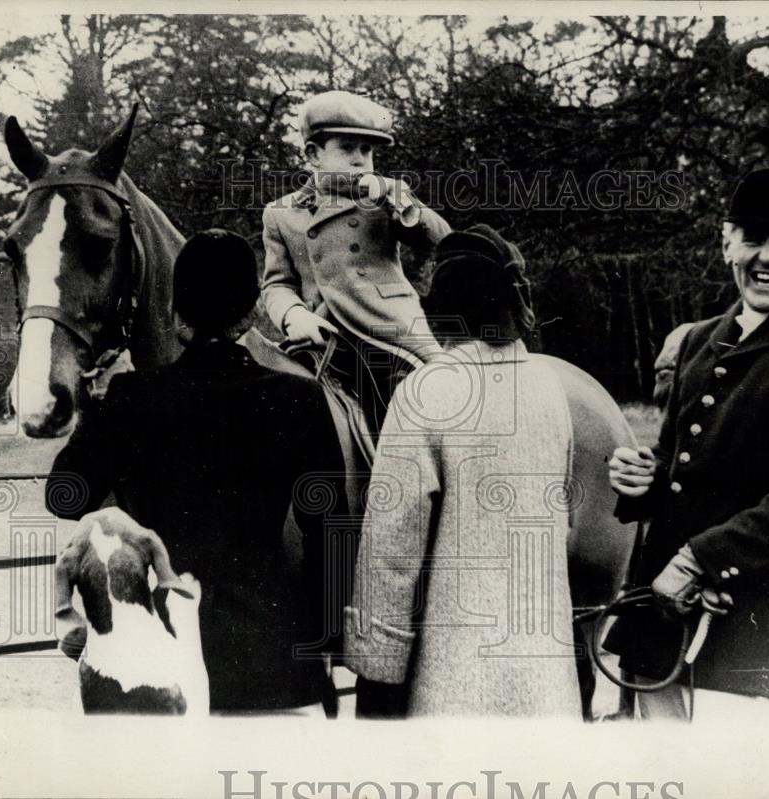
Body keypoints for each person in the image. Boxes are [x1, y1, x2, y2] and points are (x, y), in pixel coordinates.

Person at [607, 166, 769, 720]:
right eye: (753, 238)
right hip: (660, 633)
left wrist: (700, 561)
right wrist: (645, 479)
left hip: (760, 644)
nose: (768, 258)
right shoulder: (700, 340)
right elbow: (683, 467)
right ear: (727, 242)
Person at [46, 229, 348, 716]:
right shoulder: (300, 399)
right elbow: (331, 534)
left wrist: (96, 406)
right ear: (250, 314)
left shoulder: (130, 399)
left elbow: (63, 495)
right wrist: (322, 640)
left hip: (157, 663)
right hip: (273, 662)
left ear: (174, 315)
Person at [343, 225, 583, 718]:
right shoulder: (549, 385)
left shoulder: (428, 390)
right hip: (545, 682)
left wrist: (378, 671)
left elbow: (392, 550)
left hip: (453, 687)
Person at [261, 90, 451, 436]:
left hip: (387, 332)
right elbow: (277, 284)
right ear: (313, 154)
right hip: (318, 335)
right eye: (347, 148)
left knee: (426, 407)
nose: (360, 160)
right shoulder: (280, 213)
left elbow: (443, 242)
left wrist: (403, 204)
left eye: (367, 150)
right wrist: (292, 315)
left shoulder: (386, 197)